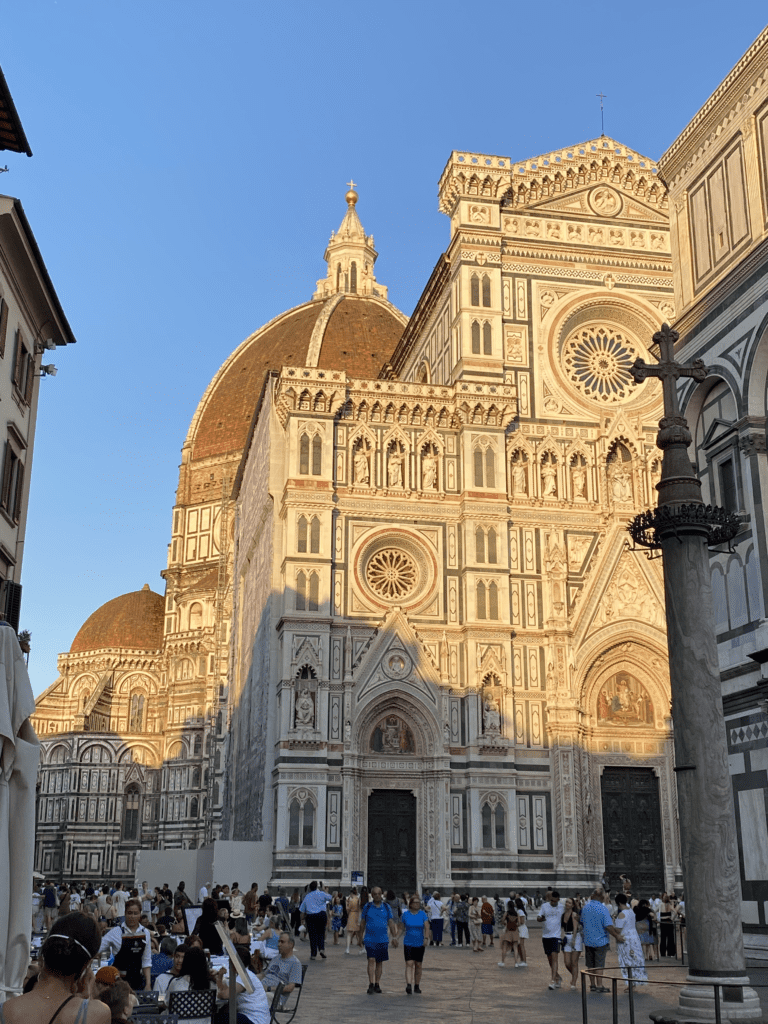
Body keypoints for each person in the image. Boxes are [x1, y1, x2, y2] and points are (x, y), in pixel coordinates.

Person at [0, 912, 110, 1024]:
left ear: (42, 958)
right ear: (86, 966)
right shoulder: (96, 1014)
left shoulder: (5, 1011)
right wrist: (87, 995)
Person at [98, 898, 152, 991]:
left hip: (137, 981)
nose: (132, 916)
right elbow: (98, 948)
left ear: (140, 914)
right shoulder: (115, 932)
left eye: (136, 913)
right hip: (118, 983)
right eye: (130, 913)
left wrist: (148, 984)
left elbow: (146, 961)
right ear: (125, 913)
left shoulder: (145, 933)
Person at [580, 887, 625, 993]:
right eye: (604, 895)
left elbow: (582, 922)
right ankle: (599, 985)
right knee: (599, 964)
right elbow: (608, 926)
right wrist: (617, 936)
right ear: (600, 896)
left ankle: (592, 985)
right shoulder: (602, 908)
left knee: (590, 964)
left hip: (588, 940)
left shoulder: (585, 907)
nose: (606, 897)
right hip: (600, 940)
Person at [214, 946, 270, 1024]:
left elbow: (225, 995)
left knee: (215, 1019)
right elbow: (226, 990)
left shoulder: (244, 977)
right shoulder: (245, 974)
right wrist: (219, 977)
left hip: (254, 1019)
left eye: (230, 960)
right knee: (222, 1014)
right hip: (254, 1017)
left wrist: (218, 991)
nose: (229, 962)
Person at [360, 886, 395, 993]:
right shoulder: (367, 906)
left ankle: (377, 983)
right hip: (370, 938)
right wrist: (360, 936)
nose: (377, 896)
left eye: (379, 894)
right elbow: (362, 922)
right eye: (374, 894)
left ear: (382, 895)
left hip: (383, 939)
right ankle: (370, 983)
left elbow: (391, 922)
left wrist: (394, 936)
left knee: (379, 962)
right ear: (371, 895)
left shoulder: (386, 907)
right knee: (371, 960)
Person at [614, 894, 648, 990]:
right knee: (634, 958)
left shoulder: (622, 914)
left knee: (626, 960)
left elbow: (618, 930)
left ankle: (630, 982)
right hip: (634, 937)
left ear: (619, 903)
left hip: (626, 938)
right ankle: (636, 980)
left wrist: (613, 922)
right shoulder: (631, 912)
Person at [400, 894, 429, 995]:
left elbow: (427, 927)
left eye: (418, 902)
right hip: (408, 942)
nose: (417, 904)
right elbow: (401, 928)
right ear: (410, 904)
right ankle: (409, 985)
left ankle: (417, 985)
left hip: (420, 942)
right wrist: (395, 937)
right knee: (409, 963)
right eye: (415, 902)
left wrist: (426, 938)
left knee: (418, 964)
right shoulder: (405, 915)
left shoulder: (423, 914)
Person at [260, 933, 303, 1000]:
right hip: (261, 990)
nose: (279, 944)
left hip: (274, 996)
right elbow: (263, 975)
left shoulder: (295, 963)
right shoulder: (275, 958)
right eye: (279, 941)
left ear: (291, 944)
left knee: (255, 998)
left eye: (282, 942)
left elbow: (290, 988)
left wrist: (269, 988)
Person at [299, 881, 332, 960]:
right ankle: (321, 949)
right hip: (321, 915)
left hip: (311, 916)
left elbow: (302, 910)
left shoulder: (307, 896)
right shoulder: (322, 893)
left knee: (312, 935)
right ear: (317, 887)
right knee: (321, 932)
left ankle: (313, 954)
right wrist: (324, 890)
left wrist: (302, 920)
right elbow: (330, 897)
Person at [537, 889, 563, 988]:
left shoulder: (562, 907)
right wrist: (540, 919)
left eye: (554, 901)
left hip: (556, 936)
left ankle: (552, 980)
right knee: (550, 959)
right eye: (551, 900)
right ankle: (557, 976)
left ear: (558, 899)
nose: (552, 903)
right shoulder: (544, 906)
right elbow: (538, 917)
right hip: (545, 936)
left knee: (555, 958)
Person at [561, 897, 582, 989]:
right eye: (566, 902)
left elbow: (575, 928)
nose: (567, 904)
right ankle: (575, 975)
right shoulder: (563, 914)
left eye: (569, 903)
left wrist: (573, 940)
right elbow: (562, 927)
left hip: (575, 938)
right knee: (567, 962)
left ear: (573, 905)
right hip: (566, 937)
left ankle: (573, 981)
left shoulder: (574, 914)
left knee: (574, 962)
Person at [345, 887, 361, 953]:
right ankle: (362, 947)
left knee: (349, 933)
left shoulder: (349, 899)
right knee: (358, 933)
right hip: (357, 915)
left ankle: (347, 948)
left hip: (351, 915)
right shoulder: (358, 899)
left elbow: (347, 909)